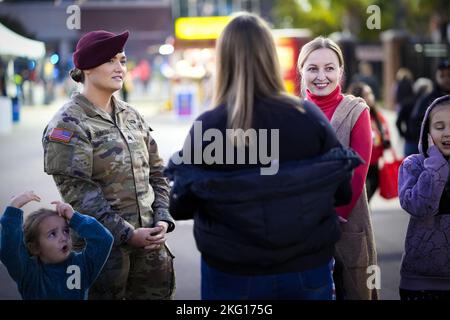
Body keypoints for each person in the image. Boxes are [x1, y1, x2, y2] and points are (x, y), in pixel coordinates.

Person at [165, 12, 362, 300]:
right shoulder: (307, 117)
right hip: (306, 268)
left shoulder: (209, 127)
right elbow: (342, 192)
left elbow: (180, 206)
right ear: (271, 57)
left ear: (224, 60)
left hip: (233, 272)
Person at [42, 30, 176, 300]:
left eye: (123, 61)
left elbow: (157, 173)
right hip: (103, 255)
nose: (120, 68)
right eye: (110, 61)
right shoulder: (67, 124)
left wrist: (162, 218)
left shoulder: (131, 115)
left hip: (151, 251)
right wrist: (127, 234)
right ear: (87, 69)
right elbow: (78, 194)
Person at [297, 36, 378, 300]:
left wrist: (333, 216)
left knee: (353, 290)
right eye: (313, 68)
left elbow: (358, 171)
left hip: (348, 222)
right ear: (302, 71)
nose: (321, 76)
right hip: (300, 228)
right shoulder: (291, 113)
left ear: (340, 72)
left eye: (329, 68)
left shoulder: (357, 111)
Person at [0, 191, 113, 300]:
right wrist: (13, 208)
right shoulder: (28, 272)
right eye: (52, 234)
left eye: (66, 231)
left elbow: (104, 239)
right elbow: (10, 250)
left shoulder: (81, 265)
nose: (64, 238)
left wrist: (75, 218)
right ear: (34, 247)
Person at [398, 95, 450, 300]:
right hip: (421, 281)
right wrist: (435, 166)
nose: (448, 133)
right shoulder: (414, 165)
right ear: (426, 132)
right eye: (439, 126)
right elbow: (419, 207)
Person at [348, 82, 391, 201]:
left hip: (375, 161)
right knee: (362, 190)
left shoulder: (376, 114)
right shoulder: (354, 114)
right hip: (360, 161)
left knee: (374, 185)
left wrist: (386, 139)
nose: (371, 97)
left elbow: (385, 129)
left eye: (371, 93)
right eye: (366, 94)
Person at [409, 60, 450, 150]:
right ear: (436, 77)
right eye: (442, 76)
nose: (446, 79)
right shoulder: (427, 100)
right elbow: (415, 125)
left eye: (449, 75)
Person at [396, 77, 433, 157]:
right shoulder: (430, 104)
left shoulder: (407, 102)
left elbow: (398, 122)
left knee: (408, 167)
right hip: (425, 143)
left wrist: (403, 134)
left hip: (410, 141)